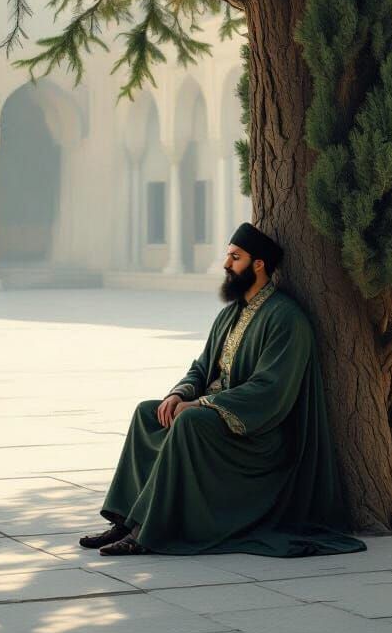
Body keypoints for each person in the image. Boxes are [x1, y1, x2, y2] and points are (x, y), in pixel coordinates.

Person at [78, 222, 366, 557]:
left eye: (235, 257)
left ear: (258, 264)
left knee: (189, 422)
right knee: (148, 412)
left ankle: (146, 532)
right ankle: (125, 521)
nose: (227, 265)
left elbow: (269, 390)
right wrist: (180, 395)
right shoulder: (230, 315)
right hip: (216, 415)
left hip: (258, 435)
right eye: (228, 256)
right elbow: (201, 368)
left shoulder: (286, 318)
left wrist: (203, 405)